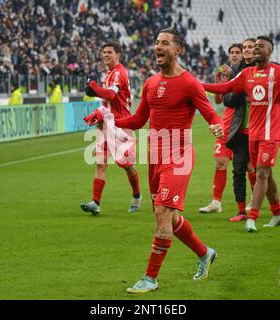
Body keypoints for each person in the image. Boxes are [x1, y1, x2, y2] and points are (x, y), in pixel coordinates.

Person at [112, 28, 224, 293]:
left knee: (162, 213)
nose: (157, 47)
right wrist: (108, 120)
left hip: (179, 155)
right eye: (156, 42)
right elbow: (138, 120)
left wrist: (217, 126)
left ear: (178, 50)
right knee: (169, 218)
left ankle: (150, 278)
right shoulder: (150, 83)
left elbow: (211, 114)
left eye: (164, 43)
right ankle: (205, 253)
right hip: (155, 157)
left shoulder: (190, 83)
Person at [203, 36, 280, 232]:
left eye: (259, 46)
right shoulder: (246, 74)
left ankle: (251, 217)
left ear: (269, 51)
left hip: (272, 133)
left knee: (261, 172)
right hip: (253, 134)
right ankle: (278, 212)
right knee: (266, 173)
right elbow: (225, 88)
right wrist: (199, 85)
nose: (255, 49)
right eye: (254, 46)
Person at [80, 42, 142, 215]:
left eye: (109, 52)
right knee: (100, 163)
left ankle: (137, 196)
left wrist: (94, 86)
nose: (105, 55)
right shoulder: (109, 74)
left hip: (121, 125)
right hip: (106, 124)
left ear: (118, 55)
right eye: (104, 52)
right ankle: (95, 202)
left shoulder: (119, 73)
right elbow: (106, 97)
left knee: (127, 166)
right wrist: (95, 92)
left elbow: (110, 95)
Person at [199, 43, 255, 216]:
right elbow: (217, 101)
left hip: (242, 125)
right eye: (232, 52)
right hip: (225, 124)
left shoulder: (245, 74)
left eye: (238, 52)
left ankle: (254, 200)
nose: (235, 55)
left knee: (248, 166)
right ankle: (216, 202)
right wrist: (217, 82)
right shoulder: (227, 75)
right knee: (220, 162)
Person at [222, 38, 258, 222]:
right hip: (241, 131)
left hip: (259, 131)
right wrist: (241, 88)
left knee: (261, 171)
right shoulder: (236, 72)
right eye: (244, 47)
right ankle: (242, 211)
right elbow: (227, 100)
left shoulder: (265, 69)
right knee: (238, 170)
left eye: (250, 47)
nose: (246, 50)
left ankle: (260, 206)